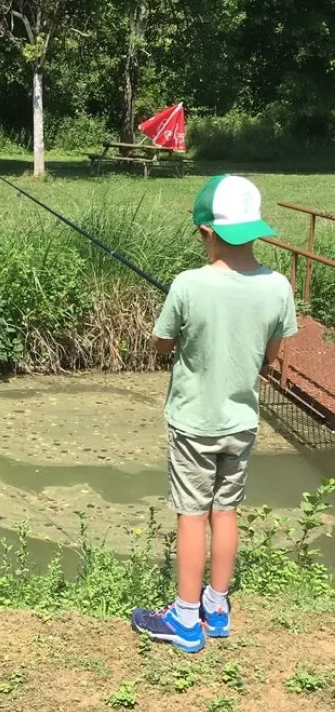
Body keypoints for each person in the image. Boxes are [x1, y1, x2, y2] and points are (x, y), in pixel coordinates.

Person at [132, 174, 298, 653]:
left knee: (191, 515)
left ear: (207, 232)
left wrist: (183, 327)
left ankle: (185, 620)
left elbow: (163, 343)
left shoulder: (188, 284)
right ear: (255, 229)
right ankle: (217, 607)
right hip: (242, 423)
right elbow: (269, 357)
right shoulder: (278, 286)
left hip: (194, 424)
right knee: (226, 511)